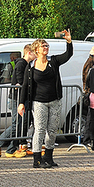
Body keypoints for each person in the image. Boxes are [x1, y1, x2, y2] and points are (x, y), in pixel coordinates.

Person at [18, 31, 74, 168]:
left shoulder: (53, 62)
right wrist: (21, 103)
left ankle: (48, 156)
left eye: (47, 45)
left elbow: (68, 55)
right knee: (40, 129)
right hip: (38, 102)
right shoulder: (31, 67)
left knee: (52, 130)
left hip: (54, 101)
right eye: (43, 46)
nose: (46, 48)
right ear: (36, 49)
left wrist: (69, 42)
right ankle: (37, 159)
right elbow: (25, 85)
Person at [0, 44, 35, 158]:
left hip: (21, 98)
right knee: (16, 125)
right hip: (16, 99)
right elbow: (20, 82)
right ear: (29, 52)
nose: (36, 55)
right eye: (35, 52)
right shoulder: (21, 64)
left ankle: (12, 149)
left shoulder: (27, 64)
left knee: (20, 125)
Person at [81, 45, 94, 144]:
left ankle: (90, 139)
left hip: (92, 95)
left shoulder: (89, 64)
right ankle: (89, 139)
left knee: (92, 119)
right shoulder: (91, 64)